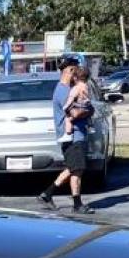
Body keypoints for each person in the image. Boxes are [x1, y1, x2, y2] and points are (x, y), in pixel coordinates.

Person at [39, 60, 95, 214]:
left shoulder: (68, 89)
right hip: (72, 135)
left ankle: (47, 194)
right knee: (77, 170)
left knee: (73, 167)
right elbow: (75, 113)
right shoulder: (64, 91)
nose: (76, 75)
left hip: (77, 133)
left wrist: (88, 109)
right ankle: (77, 204)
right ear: (69, 71)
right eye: (75, 72)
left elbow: (85, 108)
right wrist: (89, 110)